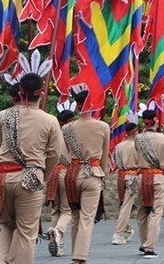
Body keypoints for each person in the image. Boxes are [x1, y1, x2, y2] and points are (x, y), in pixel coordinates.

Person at [0, 73, 61, 264]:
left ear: (20, 91)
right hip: (31, 177)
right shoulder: (49, 120)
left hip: (3, 177)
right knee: (26, 232)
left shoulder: (4, 115)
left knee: (4, 225)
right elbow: (54, 154)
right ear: (41, 92)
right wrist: (43, 175)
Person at [63, 89, 110, 263]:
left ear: (77, 104)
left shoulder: (67, 127)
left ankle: (76, 250)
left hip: (72, 174)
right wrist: (102, 173)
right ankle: (79, 256)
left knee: (75, 216)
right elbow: (104, 155)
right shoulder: (103, 127)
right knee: (86, 217)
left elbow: (65, 153)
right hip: (93, 173)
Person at [135, 106, 164, 258]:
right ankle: (150, 246)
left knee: (142, 212)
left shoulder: (138, 138)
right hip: (157, 176)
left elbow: (137, 156)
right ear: (156, 120)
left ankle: (144, 242)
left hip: (142, 177)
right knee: (156, 213)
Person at [45, 109, 75, 257]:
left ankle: (57, 243)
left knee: (55, 209)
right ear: (70, 121)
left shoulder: (51, 132)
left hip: (51, 173)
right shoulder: (70, 134)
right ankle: (58, 232)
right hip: (65, 171)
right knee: (67, 209)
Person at [112, 115, 139, 246]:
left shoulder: (119, 146)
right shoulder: (138, 146)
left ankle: (127, 229)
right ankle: (119, 233)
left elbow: (115, 161)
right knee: (127, 205)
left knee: (124, 204)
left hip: (121, 175)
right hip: (133, 175)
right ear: (135, 131)